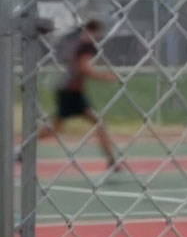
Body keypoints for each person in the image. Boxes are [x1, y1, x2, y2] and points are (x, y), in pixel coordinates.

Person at [18, 19, 122, 170]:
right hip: (70, 92)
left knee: (96, 122)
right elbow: (84, 69)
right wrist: (106, 77)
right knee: (55, 128)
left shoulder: (78, 43)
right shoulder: (86, 45)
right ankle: (22, 149)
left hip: (74, 92)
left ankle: (111, 160)